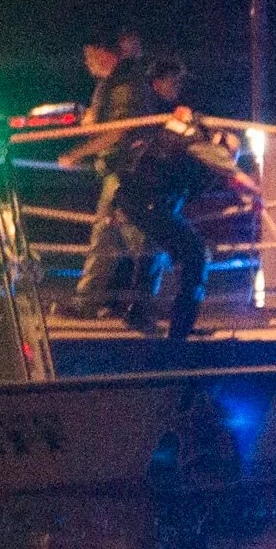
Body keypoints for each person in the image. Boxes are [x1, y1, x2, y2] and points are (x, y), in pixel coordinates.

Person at [109, 56, 252, 342]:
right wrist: (252, 189)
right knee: (195, 256)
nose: (233, 156)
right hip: (147, 201)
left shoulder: (188, 127)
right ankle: (179, 333)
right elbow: (229, 171)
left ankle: (144, 313)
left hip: (146, 198)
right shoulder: (198, 143)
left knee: (159, 250)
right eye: (231, 151)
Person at [64, 29, 151, 312]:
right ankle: (90, 303)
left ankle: (141, 303)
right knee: (107, 238)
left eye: (91, 55)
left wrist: (76, 153)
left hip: (128, 171)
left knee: (136, 238)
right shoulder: (112, 85)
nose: (88, 63)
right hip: (118, 170)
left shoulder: (124, 86)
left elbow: (117, 132)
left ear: (106, 53)